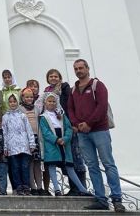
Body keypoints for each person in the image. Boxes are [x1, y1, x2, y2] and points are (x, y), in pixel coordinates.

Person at [68, 59, 125, 212]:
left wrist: (89, 123)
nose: (78, 70)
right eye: (76, 68)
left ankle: (117, 198)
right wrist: (77, 124)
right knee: (92, 166)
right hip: (82, 134)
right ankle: (101, 198)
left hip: (99, 130)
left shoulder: (97, 86)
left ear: (87, 68)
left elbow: (102, 106)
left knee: (108, 164)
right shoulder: (73, 90)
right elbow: (70, 109)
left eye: (81, 68)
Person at [40, 68, 85, 196]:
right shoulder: (44, 117)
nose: (51, 103)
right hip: (52, 143)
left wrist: (65, 138)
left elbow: (68, 127)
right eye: (49, 101)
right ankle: (57, 189)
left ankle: (82, 189)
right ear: (45, 102)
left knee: (70, 165)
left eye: (54, 101)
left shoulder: (62, 114)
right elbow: (45, 131)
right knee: (52, 166)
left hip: (64, 142)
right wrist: (56, 139)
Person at [2, 93, 36, 195]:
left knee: (25, 167)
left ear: (18, 102)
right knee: (15, 168)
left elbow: (29, 130)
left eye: (14, 101)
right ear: (7, 103)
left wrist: (32, 144)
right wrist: (5, 147)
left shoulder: (23, 116)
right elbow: (4, 132)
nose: (12, 103)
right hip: (12, 147)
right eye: (10, 102)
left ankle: (26, 186)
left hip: (24, 146)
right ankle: (18, 187)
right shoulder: (5, 117)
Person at [18, 88, 45, 195]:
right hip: (27, 139)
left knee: (37, 163)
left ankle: (40, 187)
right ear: (23, 98)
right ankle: (32, 187)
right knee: (30, 163)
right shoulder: (20, 109)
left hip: (37, 138)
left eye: (31, 97)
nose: (29, 99)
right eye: (26, 97)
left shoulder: (37, 109)